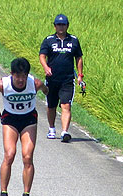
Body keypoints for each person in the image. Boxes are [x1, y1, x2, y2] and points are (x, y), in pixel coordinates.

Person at [0, 57, 48, 196]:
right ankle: (3, 195)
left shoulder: (35, 84)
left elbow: (46, 90)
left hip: (28, 119)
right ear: (11, 74)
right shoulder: (2, 84)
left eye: (24, 76)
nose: (21, 80)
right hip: (10, 119)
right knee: (9, 154)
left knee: (28, 157)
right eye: (17, 76)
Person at [39, 14, 84, 142]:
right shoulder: (49, 40)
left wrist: (80, 75)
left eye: (63, 24)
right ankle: (52, 128)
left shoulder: (73, 40)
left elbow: (79, 58)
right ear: (54, 26)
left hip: (67, 79)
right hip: (52, 79)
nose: (61, 27)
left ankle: (64, 132)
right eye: (58, 24)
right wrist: (46, 67)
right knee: (51, 105)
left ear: (67, 26)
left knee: (66, 105)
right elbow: (42, 55)